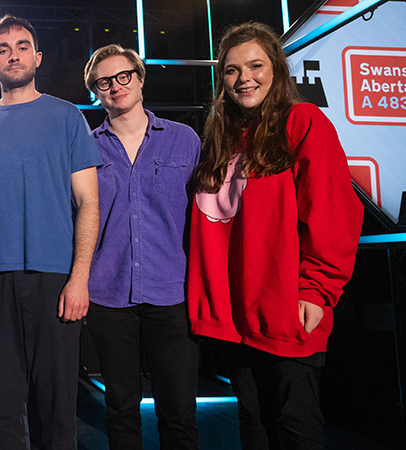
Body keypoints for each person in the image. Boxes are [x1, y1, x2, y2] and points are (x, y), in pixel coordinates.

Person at [187, 22, 363, 450]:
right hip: (233, 317)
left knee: (293, 422)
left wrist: (316, 290)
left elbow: (333, 213)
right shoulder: (221, 138)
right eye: (231, 70)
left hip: (285, 307)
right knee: (253, 418)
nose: (244, 78)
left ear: (276, 70)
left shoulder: (303, 122)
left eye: (255, 65)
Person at [0, 15, 102, 449]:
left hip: (55, 277)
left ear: (37, 57)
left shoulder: (67, 117)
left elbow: (89, 203)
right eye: (3, 49)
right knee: (2, 404)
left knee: (58, 405)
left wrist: (79, 278)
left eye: (22, 46)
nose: (13, 54)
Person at [83, 45, 200, 449]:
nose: (116, 86)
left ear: (140, 77)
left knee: (180, 411)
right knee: (120, 411)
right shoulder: (85, 148)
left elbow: (204, 218)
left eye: (123, 76)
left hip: (171, 293)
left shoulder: (185, 140)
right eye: (104, 81)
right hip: (107, 294)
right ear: (95, 91)